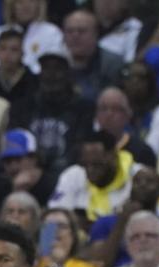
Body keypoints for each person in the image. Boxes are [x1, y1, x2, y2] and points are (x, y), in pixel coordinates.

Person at [8, 44, 95, 176]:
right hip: (26, 173)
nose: (51, 75)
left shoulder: (83, 109)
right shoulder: (23, 106)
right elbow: (15, 143)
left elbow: (79, 149)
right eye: (46, 68)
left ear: (68, 73)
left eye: (57, 69)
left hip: (67, 175)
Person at [88, 167, 159, 267]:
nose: (142, 184)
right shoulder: (105, 223)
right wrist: (122, 221)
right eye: (137, 181)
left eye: (150, 181)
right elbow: (99, 264)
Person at [49, 129, 141, 222]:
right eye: (85, 165)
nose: (90, 171)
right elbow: (52, 220)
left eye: (97, 165)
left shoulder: (139, 176)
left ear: (113, 156)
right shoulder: (72, 175)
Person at [62, 9, 124, 103]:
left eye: (81, 31)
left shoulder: (113, 65)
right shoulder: (55, 63)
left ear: (96, 34)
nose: (75, 36)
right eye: (70, 31)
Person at [0, 0, 63, 73]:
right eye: (20, 2)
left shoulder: (52, 32)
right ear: (12, 6)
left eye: (31, 1)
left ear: (39, 5)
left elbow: (54, 62)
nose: (26, 6)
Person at [0, 26, 39, 106]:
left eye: (14, 50)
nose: (7, 55)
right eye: (3, 48)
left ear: (22, 53)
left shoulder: (35, 83)